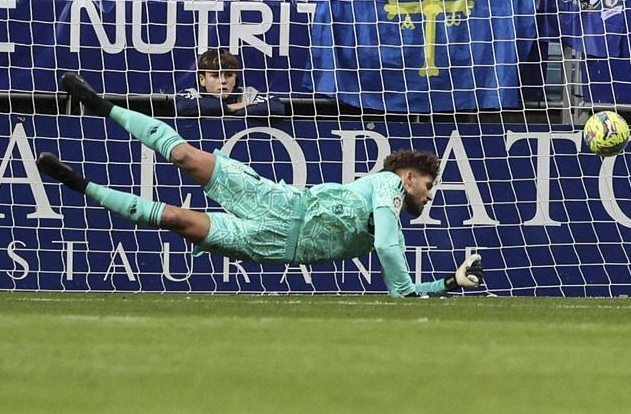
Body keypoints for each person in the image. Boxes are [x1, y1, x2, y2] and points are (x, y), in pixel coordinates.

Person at [40, 74, 485, 297]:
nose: (429, 194)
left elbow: (400, 288)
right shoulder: (387, 186)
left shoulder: (391, 224)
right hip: (279, 201)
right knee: (186, 156)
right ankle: (104, 106)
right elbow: (393, 263)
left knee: (175, 219)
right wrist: (409, 287)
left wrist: (446, 283)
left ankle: (80, 185)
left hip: (270, 245)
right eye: (427, 184)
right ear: (407, 177)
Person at [174, 47, 266, 115]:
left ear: (235, 79)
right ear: (202, 80)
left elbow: (277, 107)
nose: (223, 81)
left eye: (229, 75)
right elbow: (182, 107)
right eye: (215, 76)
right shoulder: (191, 94)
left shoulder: (248, 93)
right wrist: (228, 108)